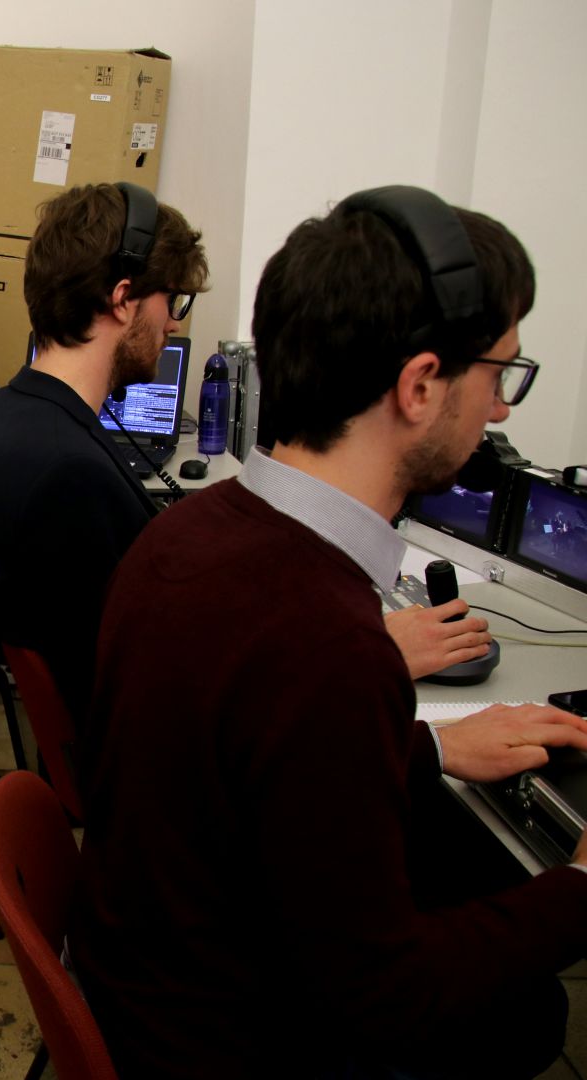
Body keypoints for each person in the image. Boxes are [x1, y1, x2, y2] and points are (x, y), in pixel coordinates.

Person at [72, 187, 587, 1078]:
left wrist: (428, 749)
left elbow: (247, 765)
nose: (500, 411)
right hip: (229, 1046)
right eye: (498, 375)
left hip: (148, 985)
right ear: (420, 386)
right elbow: (385, 1002)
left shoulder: (188, 532)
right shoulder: (326, 643)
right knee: (534, 1010)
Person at [0, 183, 207, 735]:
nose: (175, 323)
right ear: (123, 298)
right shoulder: (71, 472)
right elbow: (155, 669)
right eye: (172, 300)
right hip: (133, 753)